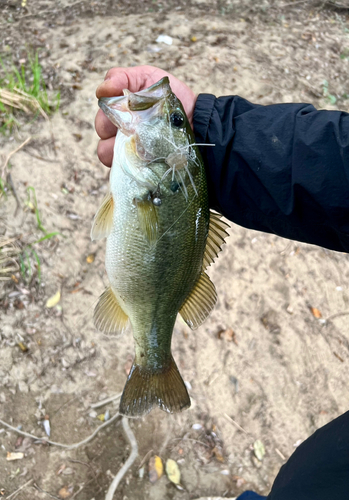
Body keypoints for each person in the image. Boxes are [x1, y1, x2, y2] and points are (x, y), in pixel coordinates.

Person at [95, 66, 349, 500]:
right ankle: (153, 358)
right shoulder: (159, 173)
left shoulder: (159, 177)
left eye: (175, 122)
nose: (171, 116)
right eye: (179, 123)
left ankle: (153, 362)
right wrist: (214, 131)